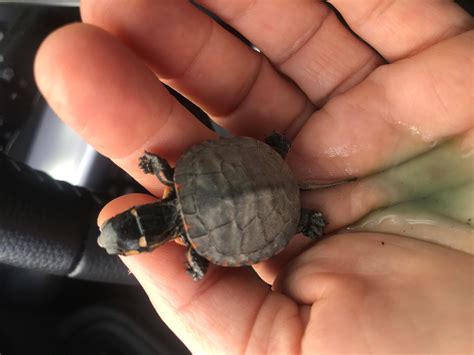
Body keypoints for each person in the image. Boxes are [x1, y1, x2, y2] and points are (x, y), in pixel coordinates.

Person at [34, 1, 473, 353]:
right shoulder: (175, 178)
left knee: (294, 219)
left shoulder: (199, 250)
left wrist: (193, 264)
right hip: (262, 161)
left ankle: (302, 220)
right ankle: (282, 168)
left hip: (281, 217)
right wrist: (156, 168)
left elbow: (204, 265)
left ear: (149, 244)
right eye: (125, 232)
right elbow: (184, 168)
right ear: (140, 219)